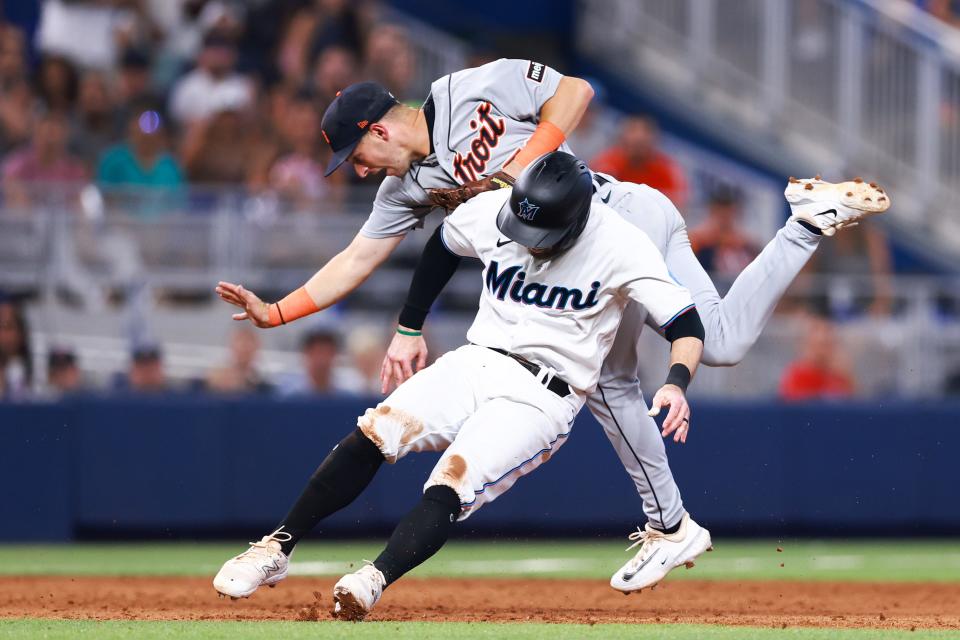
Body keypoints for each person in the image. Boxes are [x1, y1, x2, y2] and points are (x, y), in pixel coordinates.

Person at [213, 60, 889, 592]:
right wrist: (276, 313)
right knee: (724, 343)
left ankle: (670, 526)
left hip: (612, 224)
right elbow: (355, 260)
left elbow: (574, 92)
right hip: (619, 226)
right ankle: (804, 223)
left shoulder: (465, 91)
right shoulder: (406, 190)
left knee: (608, 383)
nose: (358, 173)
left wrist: (525, 164)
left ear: (379, 129)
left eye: (356, 157)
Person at [212, 152, 710, 618]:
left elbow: (686, 324)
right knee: (376, 430)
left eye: (540, 229)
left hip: (542, 393)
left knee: (452, 482)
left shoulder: (621, 244)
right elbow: (444, 245)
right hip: (475, 360)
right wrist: (409, 327)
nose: (527, 236)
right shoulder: (500, 208)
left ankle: (373, 578)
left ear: (576, 219)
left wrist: (675, 382)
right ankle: (275, 547)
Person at [590, 114, 688, 209]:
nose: (639, 136)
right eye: (633, 130)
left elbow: (678, 207)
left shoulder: (667, 171)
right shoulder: (607, 162)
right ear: (622, 137)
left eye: (646, 131)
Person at [779, 312, 856, 401]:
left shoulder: (841, 373)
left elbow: (854, 404)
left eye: (828, 330)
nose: (823, 336)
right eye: (816, 330)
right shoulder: (797, 375)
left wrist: (846, 375)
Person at [205, 327, 271, 395]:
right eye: (240, 342)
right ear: (231, 345)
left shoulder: (262, 385)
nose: (244, 348)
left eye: (249, 343)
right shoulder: (218, 379)